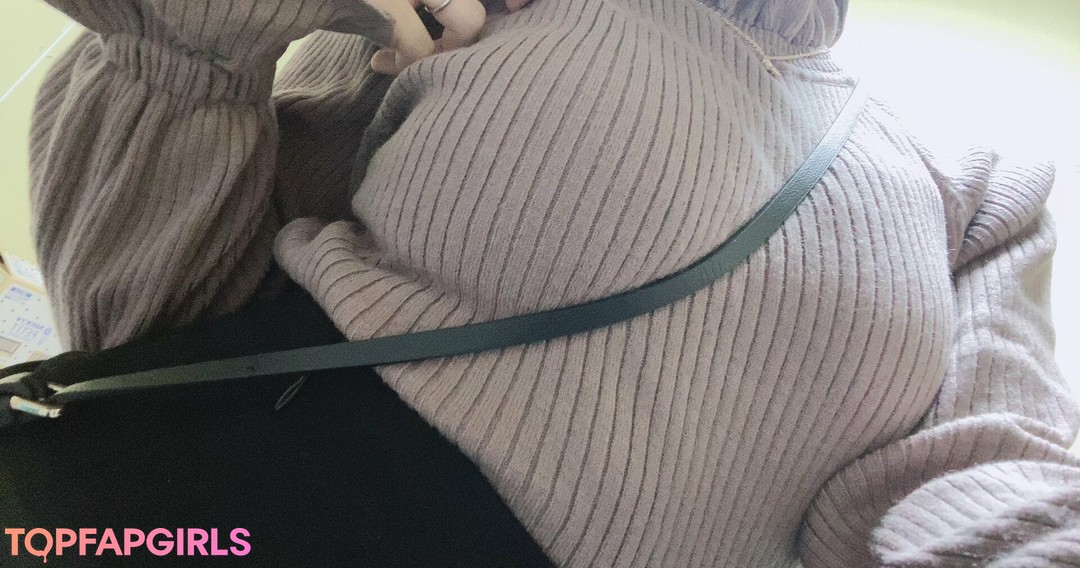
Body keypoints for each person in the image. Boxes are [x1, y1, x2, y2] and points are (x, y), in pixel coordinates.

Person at [22, 0, 1080, 565]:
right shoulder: (476, 9)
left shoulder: (978, 184)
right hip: (245, 503)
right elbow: (147, 318)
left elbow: (989, 487)